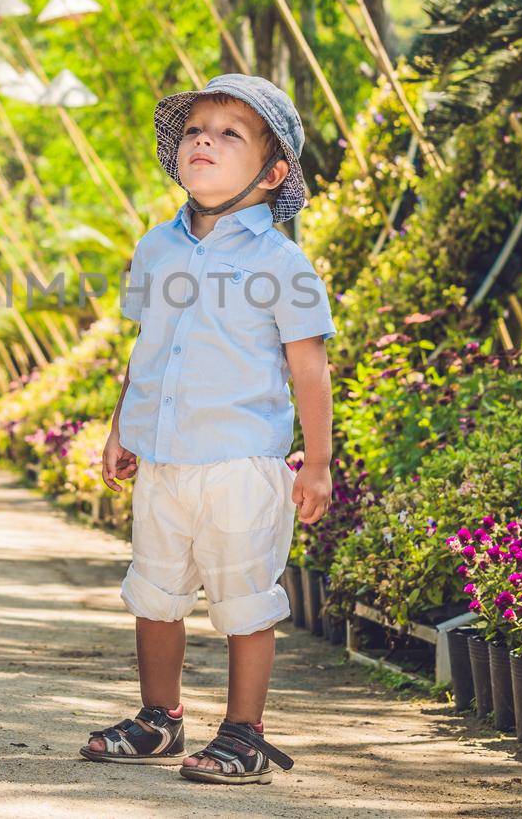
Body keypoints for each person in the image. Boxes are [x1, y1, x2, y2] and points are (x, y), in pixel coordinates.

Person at [81, 74, 335, 785]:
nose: (205, 140)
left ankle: (244, 732)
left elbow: (309, 368)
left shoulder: (282, 262)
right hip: (162, 460)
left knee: (245, 597)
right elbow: (147, 348)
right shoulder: (156, 248)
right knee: (154, 591)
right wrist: (120, 428)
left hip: (241, 464)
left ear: (272, 170)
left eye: (230, 133)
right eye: (196, 128)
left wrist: (316, 463)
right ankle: (159, 717)